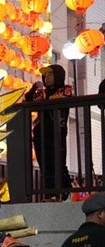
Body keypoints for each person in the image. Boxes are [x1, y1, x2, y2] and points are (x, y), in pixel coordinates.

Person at [24, 65, 73, 198]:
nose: (47, 78)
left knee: (57, 161)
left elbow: (56, 101)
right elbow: (27, 100)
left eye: (50, 74)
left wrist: (42, 97)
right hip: (40, 134)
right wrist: (34, 88)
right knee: (44, 164)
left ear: (57, 76)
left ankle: (64, 190)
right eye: (45, 75)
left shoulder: (65, 89)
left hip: (56, 132)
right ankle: (49, 192)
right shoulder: (42, 93)